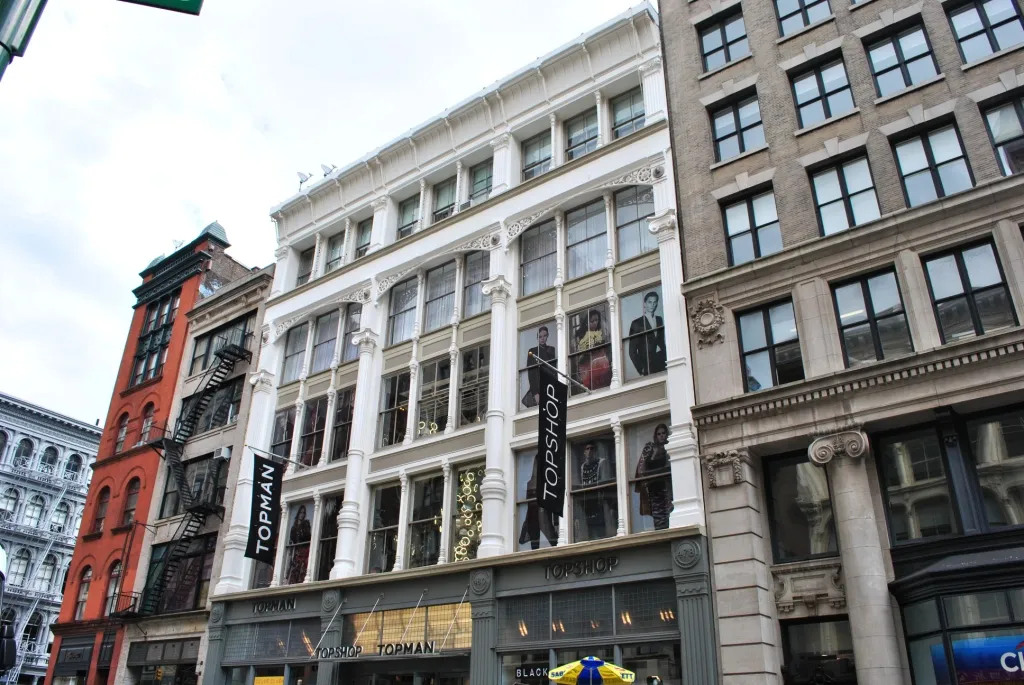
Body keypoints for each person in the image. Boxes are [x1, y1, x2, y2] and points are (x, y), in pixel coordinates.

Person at [635, 423, 672, 530]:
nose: (661, 436)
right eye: (659, 433)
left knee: (668, 516)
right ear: (655, 435)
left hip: (666, 489)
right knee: (658, 518)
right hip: (653, 490)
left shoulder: (669, 448)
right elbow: (641, 468)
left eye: (663, 433)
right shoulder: (650, 448)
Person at [518, 455, 558, 549]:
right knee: (534, 547)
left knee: (554, 542)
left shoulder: (549, 482)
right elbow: (529, 505)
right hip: (532, 517)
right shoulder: (529, 484)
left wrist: (556, 522)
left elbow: (554, 503)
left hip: (545, 515)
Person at [578, 442, 613, 539]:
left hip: (600, 505)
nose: (589, 451)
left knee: (602, 534)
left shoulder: (602, 462)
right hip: (587, 507)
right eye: (587, 449)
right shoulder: (582, 467)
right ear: (584, 452)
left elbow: (606, 485)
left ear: (595, 451)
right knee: (590, 535)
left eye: (592, 448)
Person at [628, 291, 667, 376]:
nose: (652, 305)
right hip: (647, 365)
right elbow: (632, 351)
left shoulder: (659, 319)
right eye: (650, 302)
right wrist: (641, 368)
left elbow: (661, 341)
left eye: (654, 302)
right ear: (645, 304)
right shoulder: (636, 323)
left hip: (662, 361)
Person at [574, 310, 612, 391]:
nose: (595, 323)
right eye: (592, 321)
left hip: (602, 364)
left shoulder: (601, 333)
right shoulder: (582, 336)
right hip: (587, 365)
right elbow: (579, 355)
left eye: (597, 320)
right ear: (587, 322)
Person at [523, 326, 556, 408]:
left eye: (544, 336)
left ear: (547, 336)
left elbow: (554, 370)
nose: (542, 338)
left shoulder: (552, 350)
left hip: (549, 386)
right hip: (538, 386)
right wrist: (535, 393)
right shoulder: (532, 351)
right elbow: (531, 373)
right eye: (540, 336)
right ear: (537, 337)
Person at [285, 505, 312, 584]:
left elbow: (308, 537)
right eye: (301, 512)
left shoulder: (306, 524)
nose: (302, 514)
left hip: (304, 551)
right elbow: (291, 542)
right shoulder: (293, 528)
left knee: (302, 570)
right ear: (298, 513)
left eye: (303, 513)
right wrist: (290, 555)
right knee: (295, 571)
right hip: (296, 553)